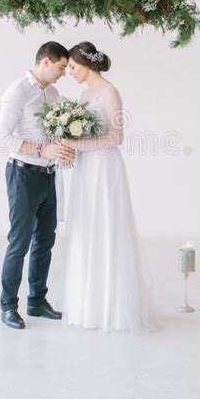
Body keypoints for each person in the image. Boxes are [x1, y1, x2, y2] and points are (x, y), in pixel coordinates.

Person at [57, 41, 158, 333]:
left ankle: (109, 306)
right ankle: (86, 304)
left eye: (73, 67)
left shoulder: (110, 93)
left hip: (104, 168)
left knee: (105, 226)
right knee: (86, 228)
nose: (70, 73)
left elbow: (116, 138)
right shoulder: (84, 94)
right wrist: (70, 147)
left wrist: (78, 143)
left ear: (86, 65)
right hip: (86, 169)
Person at [0, 42, 75, 330]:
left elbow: (55, 134)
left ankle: (37, 301)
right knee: (19, 243)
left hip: (49, 177)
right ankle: (8, 306)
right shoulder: (17, 92)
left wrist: (63, 148)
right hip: (23, 176)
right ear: (45, 62)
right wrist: (42, 151)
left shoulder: (54, 94)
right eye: (61, 67)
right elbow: (2, 137)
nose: (64, 73)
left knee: (45, 240)